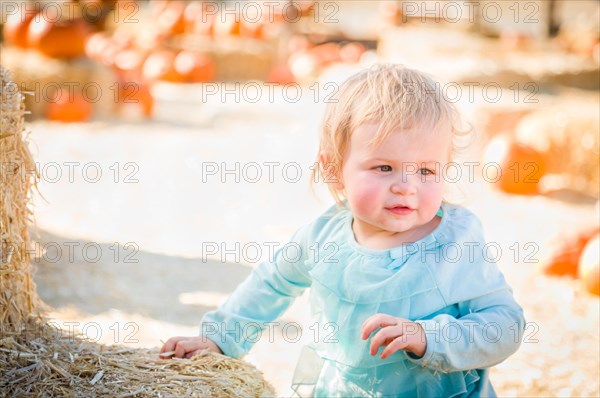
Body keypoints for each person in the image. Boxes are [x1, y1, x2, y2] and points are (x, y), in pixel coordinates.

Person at [159, 64, 526, 397]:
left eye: (427, 171)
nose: (407, 186)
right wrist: (220, 339)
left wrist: (429, 336)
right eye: (384, 167)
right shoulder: (324, 237)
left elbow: (505, 325)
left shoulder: (454, 244)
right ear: (335, 169)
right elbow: (271, 283)